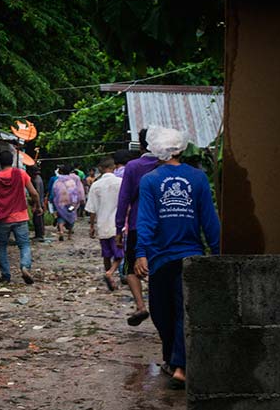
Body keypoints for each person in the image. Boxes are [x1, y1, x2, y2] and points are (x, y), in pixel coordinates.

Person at [135, 127, 220, 389]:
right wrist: (217, 252)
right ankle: (174, 361)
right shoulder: (193, 178)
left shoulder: (156, 180)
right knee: (174, 312)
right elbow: (210, 220)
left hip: (173, 256)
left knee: (167, 312)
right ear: (181, 149)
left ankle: (180, 366)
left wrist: (140, 253)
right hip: (175, 256)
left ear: (155, 150)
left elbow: (146, 221)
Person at [115, 129, 159, 326]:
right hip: (162, 225)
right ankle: (160, 305)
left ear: (141, 145)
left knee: (131, 267)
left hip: (136, 224)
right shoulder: (165, 165)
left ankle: (141, 305)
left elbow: (124, 199)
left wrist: (118, 228)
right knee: (158, 265)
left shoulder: (133, 166)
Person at [0, 149, 42, 284]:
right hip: (20, 216)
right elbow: (34, 193)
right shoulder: (21, 173)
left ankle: (6, 275)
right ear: (12, 161)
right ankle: (25, 267)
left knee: (1, 246)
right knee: (24, 245)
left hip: (2, 218)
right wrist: (38, 206)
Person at [84, 157, 124, 290]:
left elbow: (92, 209)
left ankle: (109, 276)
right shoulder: (121, 182)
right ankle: (110, 273)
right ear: (114, 168)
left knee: (106, 254)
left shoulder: (96, 185)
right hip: (117, 225)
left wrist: (91, 226)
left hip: (102, 224)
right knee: (119, 254)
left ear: (100, 169)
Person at [50, 164, 84, 240]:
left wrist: (52, 201)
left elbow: (54, 192)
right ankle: (69, 235)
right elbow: (76, 192)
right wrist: (77, 202)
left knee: (60, 216)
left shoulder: (57, 181)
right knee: (71, 215)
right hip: (71, 203)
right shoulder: (72, 181)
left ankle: (61, 231)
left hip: (60, 202)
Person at [28, 166, 48, 242]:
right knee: (39, 219)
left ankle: (39, 235)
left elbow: (37, 194)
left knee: (37, 220)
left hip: (38, 203)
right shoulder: (38, 178)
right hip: (40, 202)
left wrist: (35, 206)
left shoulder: (36, 181)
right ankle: (40, 234)